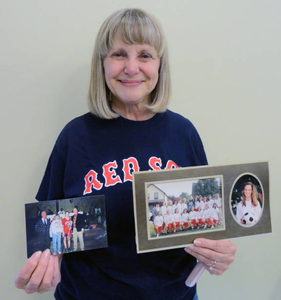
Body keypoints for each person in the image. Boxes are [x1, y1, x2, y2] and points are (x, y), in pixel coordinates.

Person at [14, 8, 236, 299]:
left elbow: (207, 224)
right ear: (102, 64)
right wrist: (46, 264)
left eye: (145, 55)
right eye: (119, 54)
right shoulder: (75, 137)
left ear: (159, 65)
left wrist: (217, 253)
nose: (132, 68)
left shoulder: (184, 134)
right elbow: (50, 233)